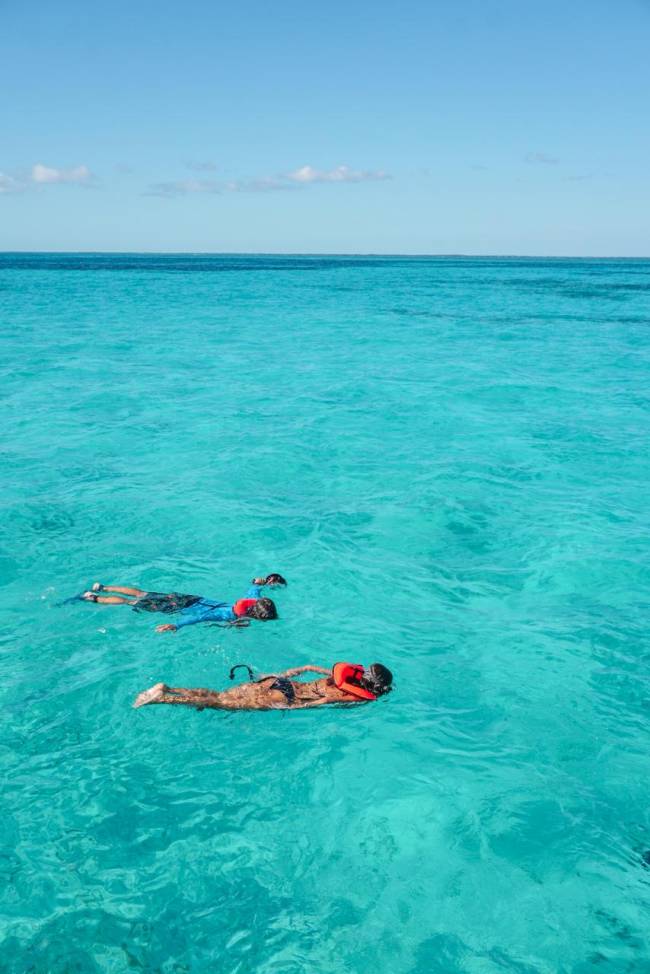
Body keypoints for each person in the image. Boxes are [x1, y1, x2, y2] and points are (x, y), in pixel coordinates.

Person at [133, 661, 393, 711]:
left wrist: (283, 673)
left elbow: (310, 667)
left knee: (221, 696)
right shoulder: (358, 697)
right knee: (219, 704)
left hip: (280, 681)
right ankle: (163, 698)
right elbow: (324, 701)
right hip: (286, 696)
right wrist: (292, 708)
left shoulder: (344, 675)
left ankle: (169, 688)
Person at [81, 574, 286, 632]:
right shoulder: (229, 615)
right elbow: (199, 617)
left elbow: (254, 588)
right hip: (182, 607)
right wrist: (176, 625)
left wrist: (262, 583)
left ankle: (103, 587)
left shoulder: (249, 601)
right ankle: (94, 598)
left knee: (142, 593)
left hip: (191, 598)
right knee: (130, 603)